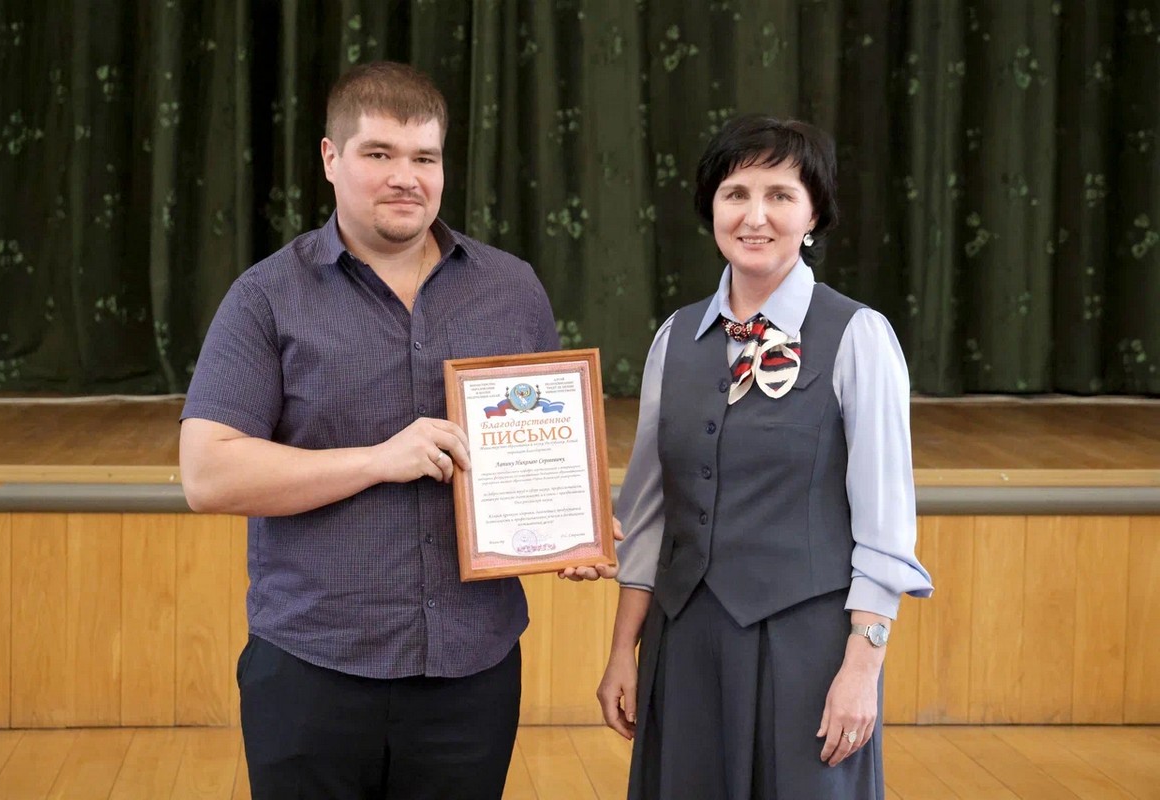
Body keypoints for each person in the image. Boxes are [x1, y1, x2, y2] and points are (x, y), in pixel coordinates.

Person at [180, 61, 610, 800]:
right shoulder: (266, 297)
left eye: (424, 158)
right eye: (378, 154)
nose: (405, 178)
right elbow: (207, 474)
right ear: (330, 158)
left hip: (471, 672)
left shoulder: (510, 289)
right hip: (313, 670)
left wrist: (571, 526)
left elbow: (545, 440)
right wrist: (380, 459)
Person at [596, 114, 934, 800]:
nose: (755, 216)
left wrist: (861, 670)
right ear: (711, 210)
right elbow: (650, 516)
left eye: (780, 195)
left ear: (813, 214)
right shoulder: (673, 338)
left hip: (808, 651)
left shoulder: (858, 335)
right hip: (684, 639)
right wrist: (621, 652)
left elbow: (885, 525)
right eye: (736, 194)